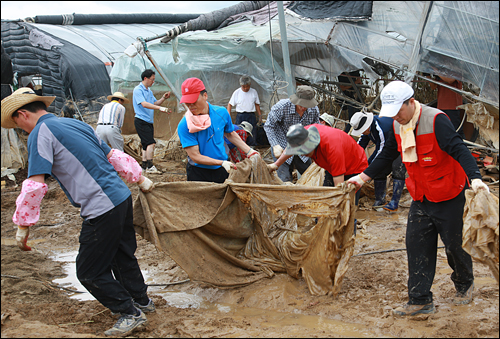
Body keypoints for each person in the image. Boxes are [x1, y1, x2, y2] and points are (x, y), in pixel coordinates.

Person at [1, 87, 156, 336]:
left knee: (89, 271)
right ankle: (143, 301)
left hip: (100, 207)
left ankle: (129, 312)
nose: (21, 130)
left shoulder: (39, 133)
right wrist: (139, 179)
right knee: (122, 255)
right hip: (121, 197)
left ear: (22, 114)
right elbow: (113, 155)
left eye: (17, 124)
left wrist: (22, 224)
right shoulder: (76, 124)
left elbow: (35, 184)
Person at [347, 80, 490, 316]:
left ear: (411, 102)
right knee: (416, 246)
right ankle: (420, 300)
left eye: (398, 111)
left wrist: (475, 178)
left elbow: (459, 150)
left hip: (449, 195)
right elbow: (387, 154)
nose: (396, 117)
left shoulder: (436, 120)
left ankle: (465, 284)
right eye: (391, 113)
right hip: (421, 196)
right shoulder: (396, 125)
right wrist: (363, 178)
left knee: (455, 247)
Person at [268, 124, 368, 222]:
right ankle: (321, 228)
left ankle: (346, 235)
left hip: (354, 167)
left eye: (304, 152)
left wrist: (337, 206)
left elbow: (339, 188)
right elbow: (290, 148)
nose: (302, 155)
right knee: (324, 205)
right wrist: (276, 165)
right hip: (332, 166)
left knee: (345, 207)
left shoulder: (332, 148)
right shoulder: (302, 134)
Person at [177, 77, 260, 183]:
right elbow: (196, 156)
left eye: (194, 100)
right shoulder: (185, 125)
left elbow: (230, 134)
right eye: (187, 102)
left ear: (205, 96)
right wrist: (220, 162)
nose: (190, 105)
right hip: (198, 172)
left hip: (222, 170)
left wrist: (249, 151)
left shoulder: (221, 113)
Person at [350, 111, 407, 211]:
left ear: (367, 126)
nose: (362, 133)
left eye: (362, 130)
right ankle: (380, 200)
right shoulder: (368, 130)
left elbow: (381, 151)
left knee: (398, 169)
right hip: (387, 150)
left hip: (401, 145)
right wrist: (352, 160)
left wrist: (368, 166)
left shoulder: (381, 128)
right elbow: (359, 146)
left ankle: (394, 201)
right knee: (380, 171)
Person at [264, 85, 320, 182]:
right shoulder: (281, 107)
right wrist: (275, 145)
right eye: (301, 104)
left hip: (303, 148)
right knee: (283, 179)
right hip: (282, 145)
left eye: (306, 105)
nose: (303, 107)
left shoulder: (314, 110)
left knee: (311, 176)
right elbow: (269, 126)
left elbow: (316, 128)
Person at [133, 69, 171, 174]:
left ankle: (144, 166)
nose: (153, 82)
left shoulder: (148, 91)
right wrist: (159, 109)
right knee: (151, 143)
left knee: (145, 145)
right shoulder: (138, 90)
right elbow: (144, 104)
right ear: (145, 78)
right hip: (141, 120)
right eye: (152, 79)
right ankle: (150, 166)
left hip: (148, 121)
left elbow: (155, 103)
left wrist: (163, 98)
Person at [227, 75, 262, 146]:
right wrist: (228, 116)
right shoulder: (237, 92)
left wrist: (260, 116)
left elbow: (257, 104)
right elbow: (230, 104)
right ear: (241, 85)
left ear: (250, 85)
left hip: (251, 115)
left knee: (252, 132)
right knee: (239, 132)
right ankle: (240, 146)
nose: (245, 88)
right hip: (240, 115)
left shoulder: (253, 92)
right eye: (244, 87)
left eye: (247, 86)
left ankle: (252, 147)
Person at [429, 74, 465, 139]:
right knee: (443, 131)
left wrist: (435, 70)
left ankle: (462, 147)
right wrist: (427, 75)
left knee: (455, 130)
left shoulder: (456, 68)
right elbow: (433, 86)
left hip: (452, 106)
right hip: (441, 106)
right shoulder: (441, 72)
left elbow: (450, 80)